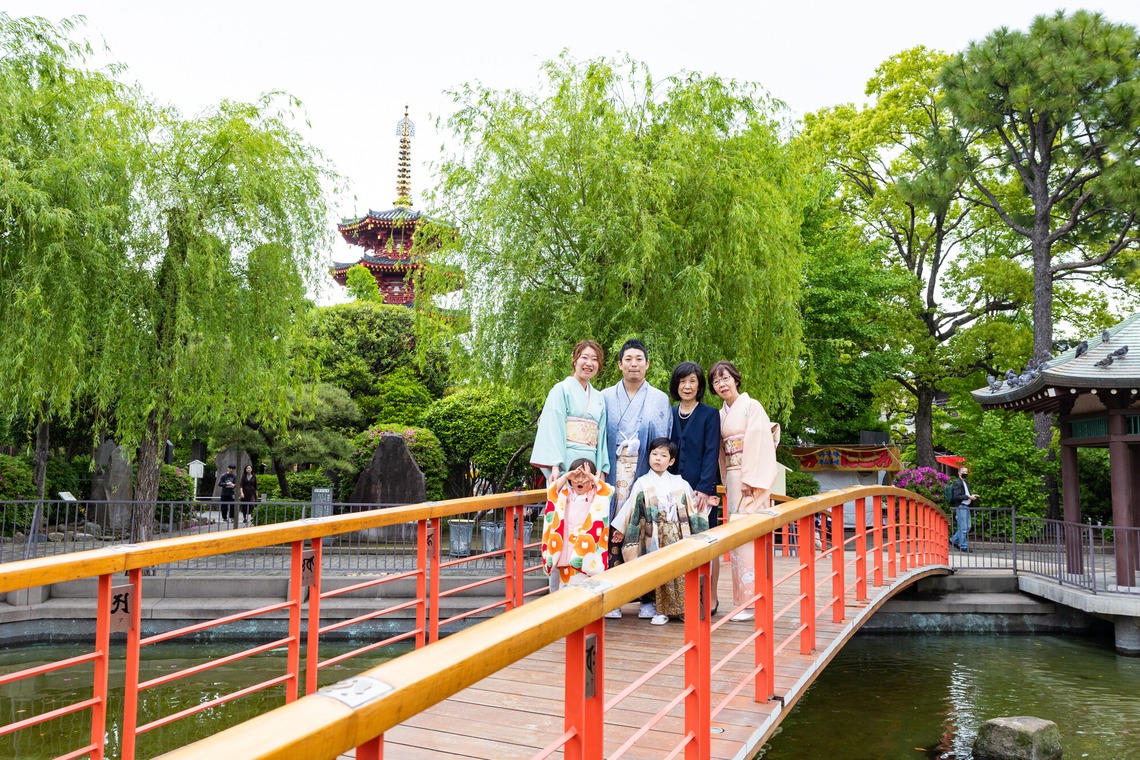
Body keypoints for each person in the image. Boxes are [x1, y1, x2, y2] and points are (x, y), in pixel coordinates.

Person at [601, 339, 672, 615]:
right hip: (612, 471)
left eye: (639, 359)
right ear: (620, 364)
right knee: (612, 530)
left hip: (646, 472)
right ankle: (613, 597)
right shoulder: (605, 396)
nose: (634, 364)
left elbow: (664, 440)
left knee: (645, 531)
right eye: (628, 359)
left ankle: (647, 599)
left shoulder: (659, 398)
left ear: (647, 364)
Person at [710, 361, 779, 622]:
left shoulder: (752, 407)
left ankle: (753, 602)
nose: (722, 384)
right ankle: (743, 601)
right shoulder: (720, 414)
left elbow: (760, 442)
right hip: (732, 476)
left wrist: (750, 479)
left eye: (725, 378)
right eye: (716, 381)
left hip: (750, 480)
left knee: (750, 538)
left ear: (736, 379)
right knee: (738, 540)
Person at [612, 438, 708, 625]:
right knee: (659, 572)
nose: (658, 458)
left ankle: (685, 609)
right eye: (654, 454)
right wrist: (622, 529)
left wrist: (706, 508)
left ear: (671, 461)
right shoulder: (642, 482)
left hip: (678, 533)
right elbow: (632, 507)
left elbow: (692, 507)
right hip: (655, 534)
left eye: (663, 456)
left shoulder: (679, 482)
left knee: (681, 571)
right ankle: (661, 610)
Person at [668, 362, 722, 614]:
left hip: (701, 490)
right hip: (673, 491)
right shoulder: (670, 413)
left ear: (699, 385)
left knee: (707, 543)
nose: (687, 386)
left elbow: (712, 452)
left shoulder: (709, 414)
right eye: (682, 381)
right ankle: (681, 600)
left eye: (692, 381)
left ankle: (710, 597)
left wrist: (704, 488)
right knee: (678, 543)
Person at [531, 340, 610, 482]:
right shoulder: (561, 390)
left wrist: (601, 469)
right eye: (584, 357)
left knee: (589, 495)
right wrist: (555, 465)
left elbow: (602, 436)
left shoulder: (599, 397)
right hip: (566, 460)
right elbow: (553, 427)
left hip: (591, 463)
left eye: (594, 359)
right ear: (574, 359)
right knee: (566, 494)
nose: (589, 363)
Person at [540, 458, 612, 591]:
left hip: (587, 549)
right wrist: (566, 476)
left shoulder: (595, 496)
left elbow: (607, 491)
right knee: (566, 589)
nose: (579, 481)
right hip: (567, 547)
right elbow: (552, 491)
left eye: (584, 477)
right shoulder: (565, 495)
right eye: (576, 476)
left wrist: (592, 477)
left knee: (586, 589)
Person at [948, 466, 978, 552]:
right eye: (964, 472)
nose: (965, 473)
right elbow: (956, 496)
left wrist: (972, 496)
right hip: (961, 506)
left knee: (968, 527)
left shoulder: (965, 483)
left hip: (966, 506)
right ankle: (963, 546)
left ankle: (953, 540)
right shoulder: (957, 483)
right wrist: (968, 497)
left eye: (966, 472)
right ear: (959, 473)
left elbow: (965, 494)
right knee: (963, 527)